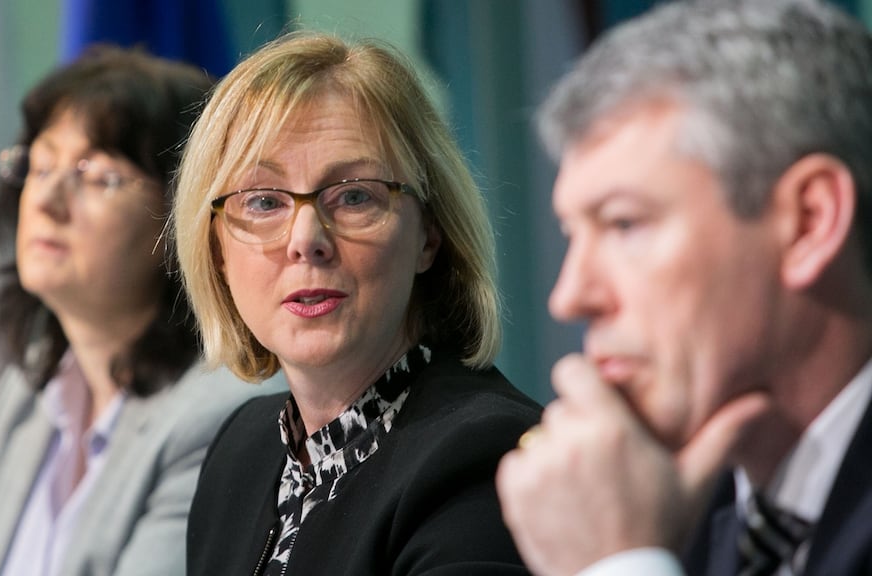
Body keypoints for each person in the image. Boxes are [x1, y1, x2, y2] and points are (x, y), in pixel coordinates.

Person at [496, 0, 872, 575]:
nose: (570, 296)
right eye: (573, 234)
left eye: (624, 224)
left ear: (809, 222)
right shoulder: (667, 504)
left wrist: (620, 564)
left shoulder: (623, 534)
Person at [172, 31, 543, 575]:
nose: (305, 238)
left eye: (353, 196)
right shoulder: (241, 451)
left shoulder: (486, 456)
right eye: (264, 201)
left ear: (429, 235)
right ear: (217, 250)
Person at [0, 46, 278, 575]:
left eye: (98, 176)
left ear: (181, 220)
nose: (47, 200)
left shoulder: (222, 416)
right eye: (40, 164)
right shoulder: (28, 395)